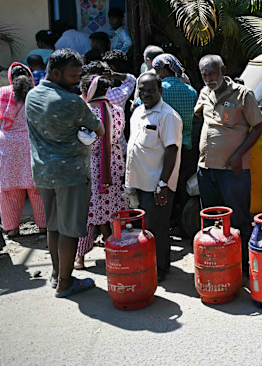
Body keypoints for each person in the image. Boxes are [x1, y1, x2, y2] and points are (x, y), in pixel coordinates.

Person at [26, 49, 105, 297]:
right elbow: (99, 129)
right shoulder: (72, 102)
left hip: (43, 173)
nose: (76, 80)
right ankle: (65, 283)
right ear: (56, 72)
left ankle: (55, 273)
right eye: (73, 75)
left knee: (54, 227)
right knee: (70, 229)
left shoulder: (32, 95)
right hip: (70, 175)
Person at [195, 54, 262, 273]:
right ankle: (219, 266)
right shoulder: (204, 93)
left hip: (233, 171)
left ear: (223, 70)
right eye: (204, 75)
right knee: (211, 220)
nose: (208, 79)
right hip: (207, 169)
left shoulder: (244, 94)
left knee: (238, 221)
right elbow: (202, 117)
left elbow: (259, 126)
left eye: (212, 73)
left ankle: (243, 269)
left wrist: (237, 155)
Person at [125, 73, 182, 282]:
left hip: (156, 184)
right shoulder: (138, 111)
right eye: (142, 90)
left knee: (157, 228)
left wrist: (163, 183)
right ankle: (149, 265)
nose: (146, 94)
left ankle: (160, 269)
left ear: (160, 90)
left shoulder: (168, 116)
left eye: (151, 90)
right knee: (143, 228)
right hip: (137, 182)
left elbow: (172, 150)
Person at [74, 75, 127, 269]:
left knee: (90, 210)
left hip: (92, 165)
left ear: (88, 91)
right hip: (113, 162)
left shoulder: (85, 112)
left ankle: (80, 256)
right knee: (113, 207)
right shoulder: (118, 111)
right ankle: (118, 248)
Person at [151, 54, 198, 226]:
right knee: (183, 186)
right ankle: (183, 222)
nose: (155, 72)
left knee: (164, 184)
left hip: (162, 146)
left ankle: (167, 221)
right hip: (186, 146)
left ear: (164, 69)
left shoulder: (157, 90)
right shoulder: (190, 91)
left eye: (157, 69)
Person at [0, 63, 45, 237]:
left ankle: (11, 229)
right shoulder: (37, 92)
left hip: (8, 145)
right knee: (38, 190)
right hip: (32, 143)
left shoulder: (3, 92)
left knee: (8, 191)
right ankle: (43, 227)